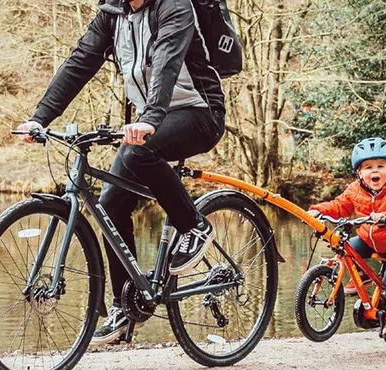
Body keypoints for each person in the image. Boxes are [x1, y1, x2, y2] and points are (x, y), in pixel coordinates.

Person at [15, 0, 227, 345]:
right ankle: (127, 306)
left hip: (199, 112)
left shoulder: (174, 7)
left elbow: (166, 65)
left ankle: (195, 225)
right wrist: (40, 117)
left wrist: (149, 119)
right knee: (111, 205)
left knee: (139, 150)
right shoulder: (112, 15)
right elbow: (79, 63)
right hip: (151, 119)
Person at [306, 137, 386, 338]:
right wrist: (317, 211)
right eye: (368, 167)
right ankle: (362, 276)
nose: (374, 171)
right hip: (369, 239)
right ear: (359, 172)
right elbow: (339, 206)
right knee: (344, 248)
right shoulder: (354, 190)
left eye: (380, 166)